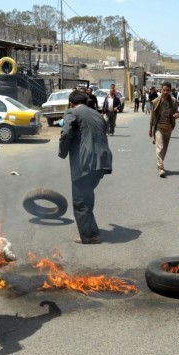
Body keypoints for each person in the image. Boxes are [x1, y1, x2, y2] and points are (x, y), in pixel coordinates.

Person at [59, 90, 112, 244]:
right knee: (86, 194)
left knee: (80, 200)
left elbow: (66, 132)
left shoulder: (72, 112)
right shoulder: (96, 114)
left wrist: (62, 152)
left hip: (85, 162)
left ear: (70, 102)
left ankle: (90, 236)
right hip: (102, 160)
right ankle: (92, 230)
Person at [149, 81, 179, 177]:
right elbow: (152, 116)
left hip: (169, 127)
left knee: (164, 149)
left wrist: (176, 115)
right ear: (161, 90)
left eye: (168, 90)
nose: (165, 92)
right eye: (164, 90)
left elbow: (177, 112)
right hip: (159, 127)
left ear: (170, 90)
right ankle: (160, 168)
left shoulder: (174, 101)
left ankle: (160, 164)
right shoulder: (156, 101)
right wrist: (150, 128)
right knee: (160, 147)